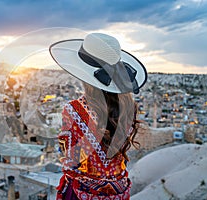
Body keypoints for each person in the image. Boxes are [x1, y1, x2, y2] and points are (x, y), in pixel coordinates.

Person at [49, 33, 147, 200]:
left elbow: (72, 162)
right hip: (118, 192)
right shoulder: (129, 107)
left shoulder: (74, 110)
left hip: (84, 193)